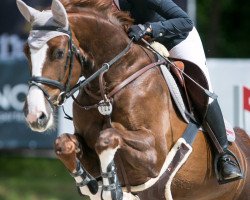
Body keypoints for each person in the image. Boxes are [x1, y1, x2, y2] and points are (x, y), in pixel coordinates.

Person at [113, 0, 243, 183]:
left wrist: (149, 28)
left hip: (177, 38)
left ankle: (224, 155)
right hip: (143, 45)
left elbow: (185, 22)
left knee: (201, 89)